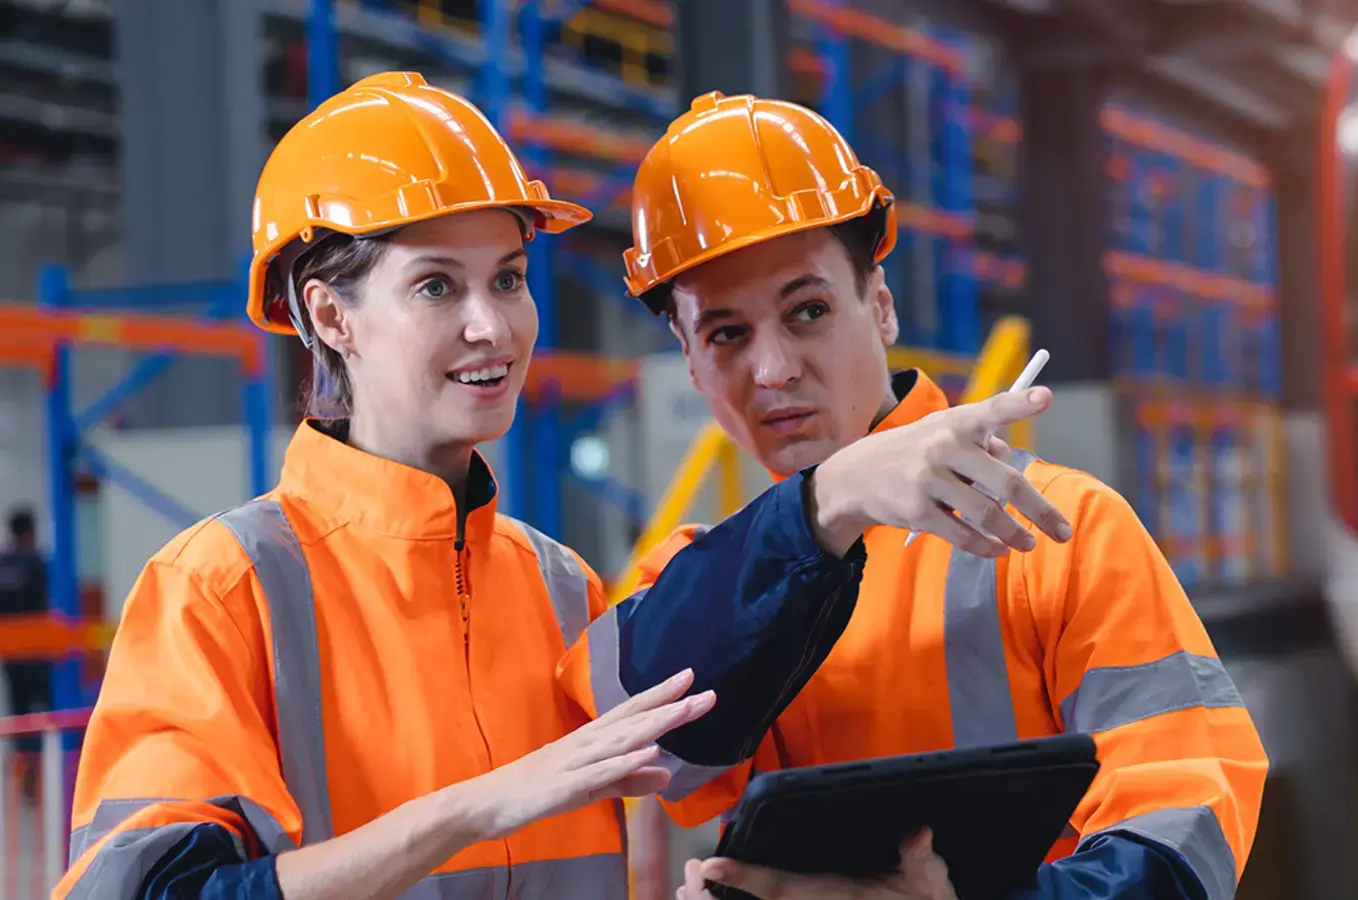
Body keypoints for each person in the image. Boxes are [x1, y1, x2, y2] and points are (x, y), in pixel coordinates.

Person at [56, 74, 1065, 900]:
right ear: (330, 315)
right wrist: (473, 807)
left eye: (507, 277)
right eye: (436, 286)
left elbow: (691, 760)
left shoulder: (558, 589)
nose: (492, 328)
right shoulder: (223, 588)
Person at [559, 91, 1270, 900]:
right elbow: (648, 750)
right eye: (727, 335)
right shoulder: (705, 577)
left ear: (882, 307)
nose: (773, 371)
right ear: (691, 365)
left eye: (809, 311)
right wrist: (826, 506)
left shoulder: (1062, 533)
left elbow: (1184, 827)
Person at [0, 505, 51, 800]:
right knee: (50, 715)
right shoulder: (36, 563)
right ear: (30, 531)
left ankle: (26, 774)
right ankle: (44, 772)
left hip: (12, 658)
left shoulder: (3, 564)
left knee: (20, 718)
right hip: (40, 654)